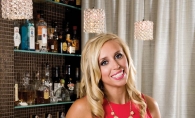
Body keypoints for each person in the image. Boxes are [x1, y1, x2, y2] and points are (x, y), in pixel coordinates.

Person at [66, 33, 161, 118]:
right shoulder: (81, 109)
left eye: (118, 56)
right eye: (104, 62)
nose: (116, 65)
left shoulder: (150, 104)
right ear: (94, 71)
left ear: (127, 58)